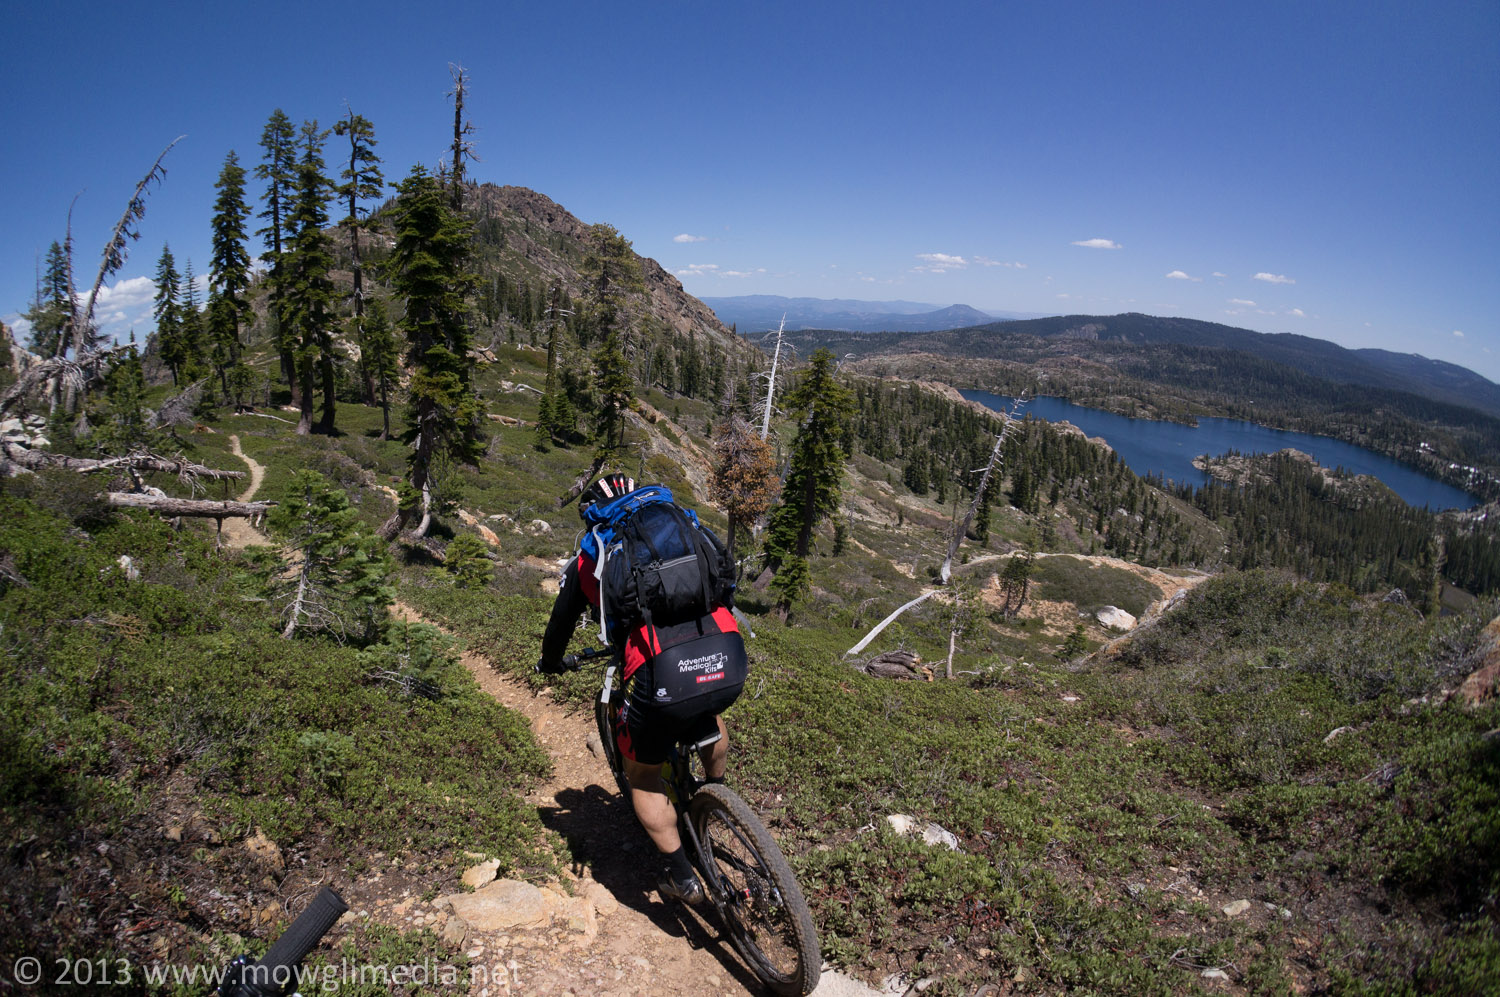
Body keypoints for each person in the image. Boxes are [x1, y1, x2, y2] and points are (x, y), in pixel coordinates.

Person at [536, 472, 745, 905]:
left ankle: (683, 878)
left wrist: (551, 662)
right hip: (726, 651)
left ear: (595, 514)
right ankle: (715, 797)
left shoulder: (594, 555)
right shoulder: (682, 527)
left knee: (643, 775)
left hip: (659, 666)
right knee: (706, 712)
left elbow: (560, 623)